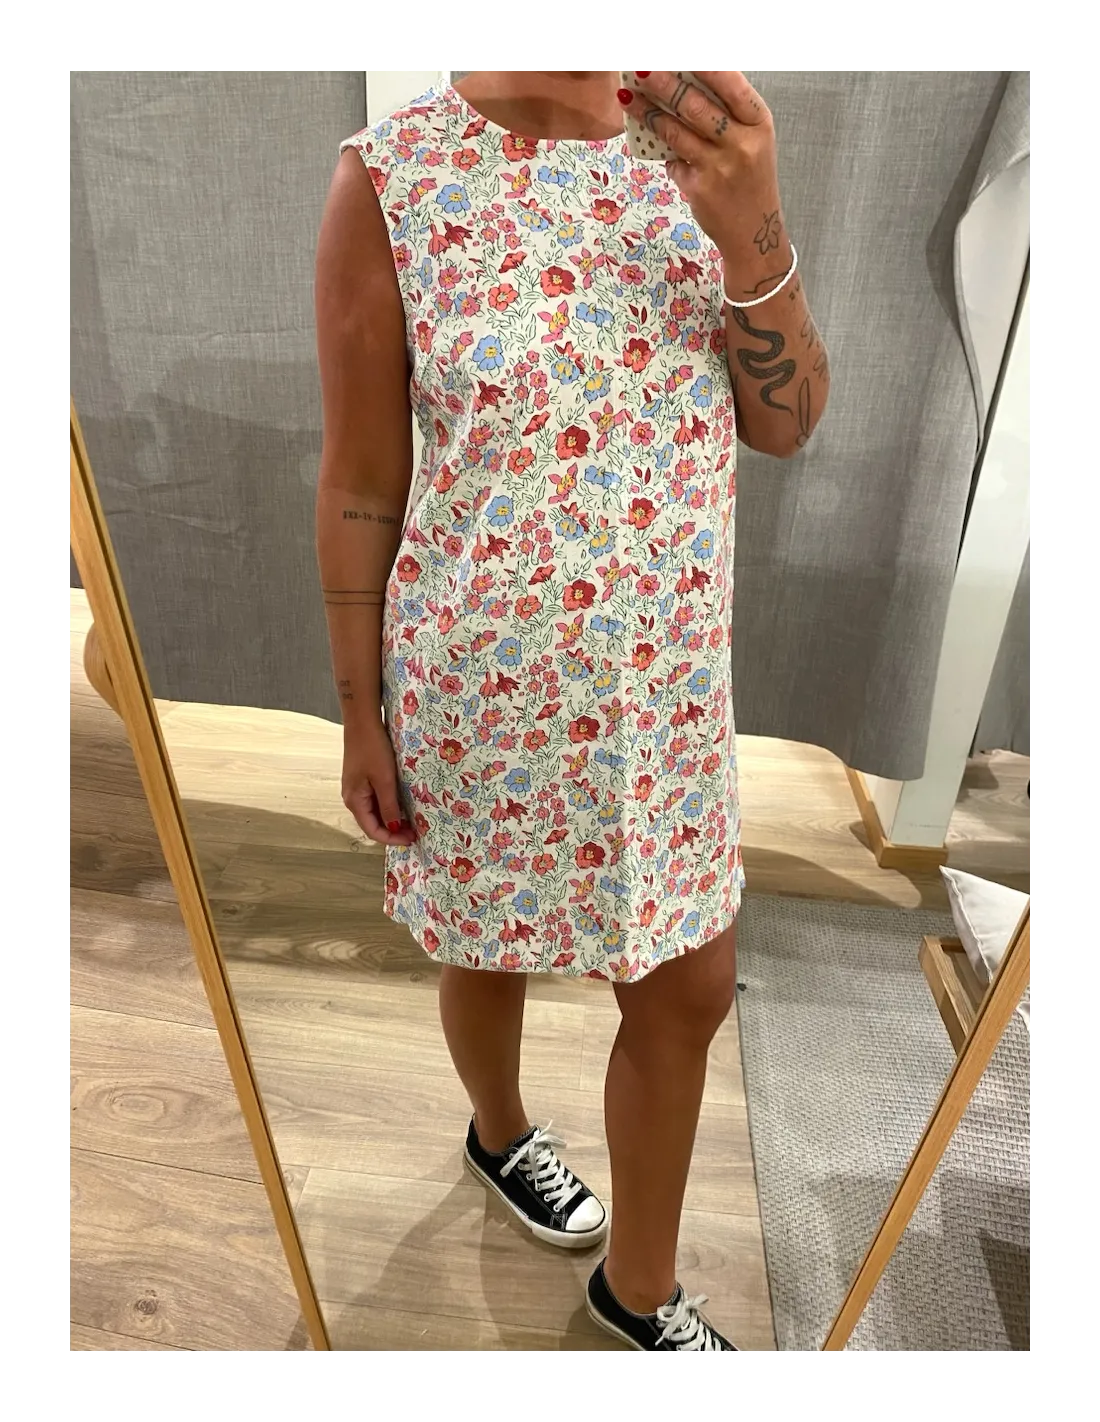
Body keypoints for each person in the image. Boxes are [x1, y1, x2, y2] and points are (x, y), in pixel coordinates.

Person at [314, 65, 828, 1353]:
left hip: (664, 700)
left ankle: (636, 1292)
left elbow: (789, 425)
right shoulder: (392, 180)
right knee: (486, 947)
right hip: (477, 688)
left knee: (690, 988)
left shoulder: (702, 153)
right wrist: (360, 711)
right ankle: (499, 1135)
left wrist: (752, 224)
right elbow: (363, 477)